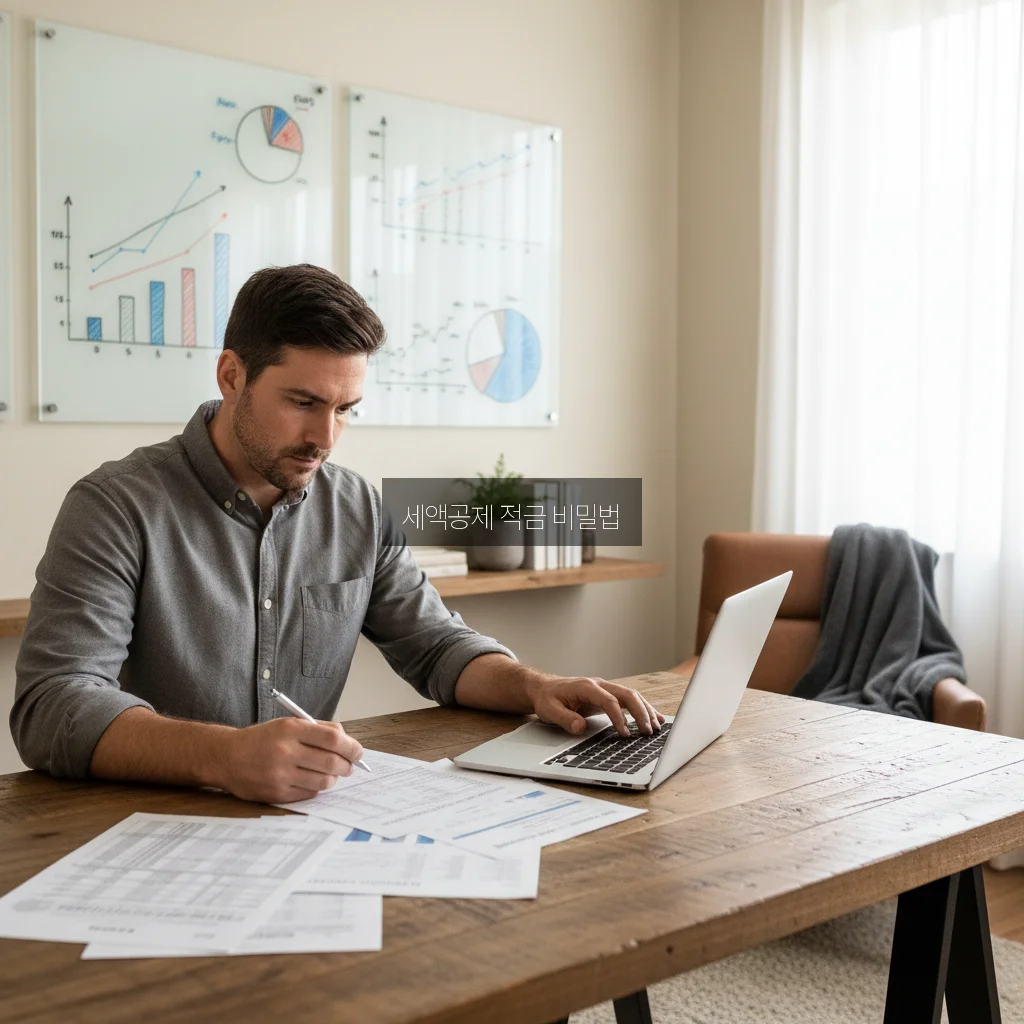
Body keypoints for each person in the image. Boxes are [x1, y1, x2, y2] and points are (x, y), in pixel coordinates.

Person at [11, 265, 663, 804]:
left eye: (345, 410)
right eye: (303, 402)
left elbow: (435, 646)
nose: (326, 438)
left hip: (308, 822)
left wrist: (533, 686)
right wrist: (226, 756)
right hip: (140, 828)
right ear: (231, 375)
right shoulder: (115, 505)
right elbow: (52, 704)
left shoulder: (354, 504)